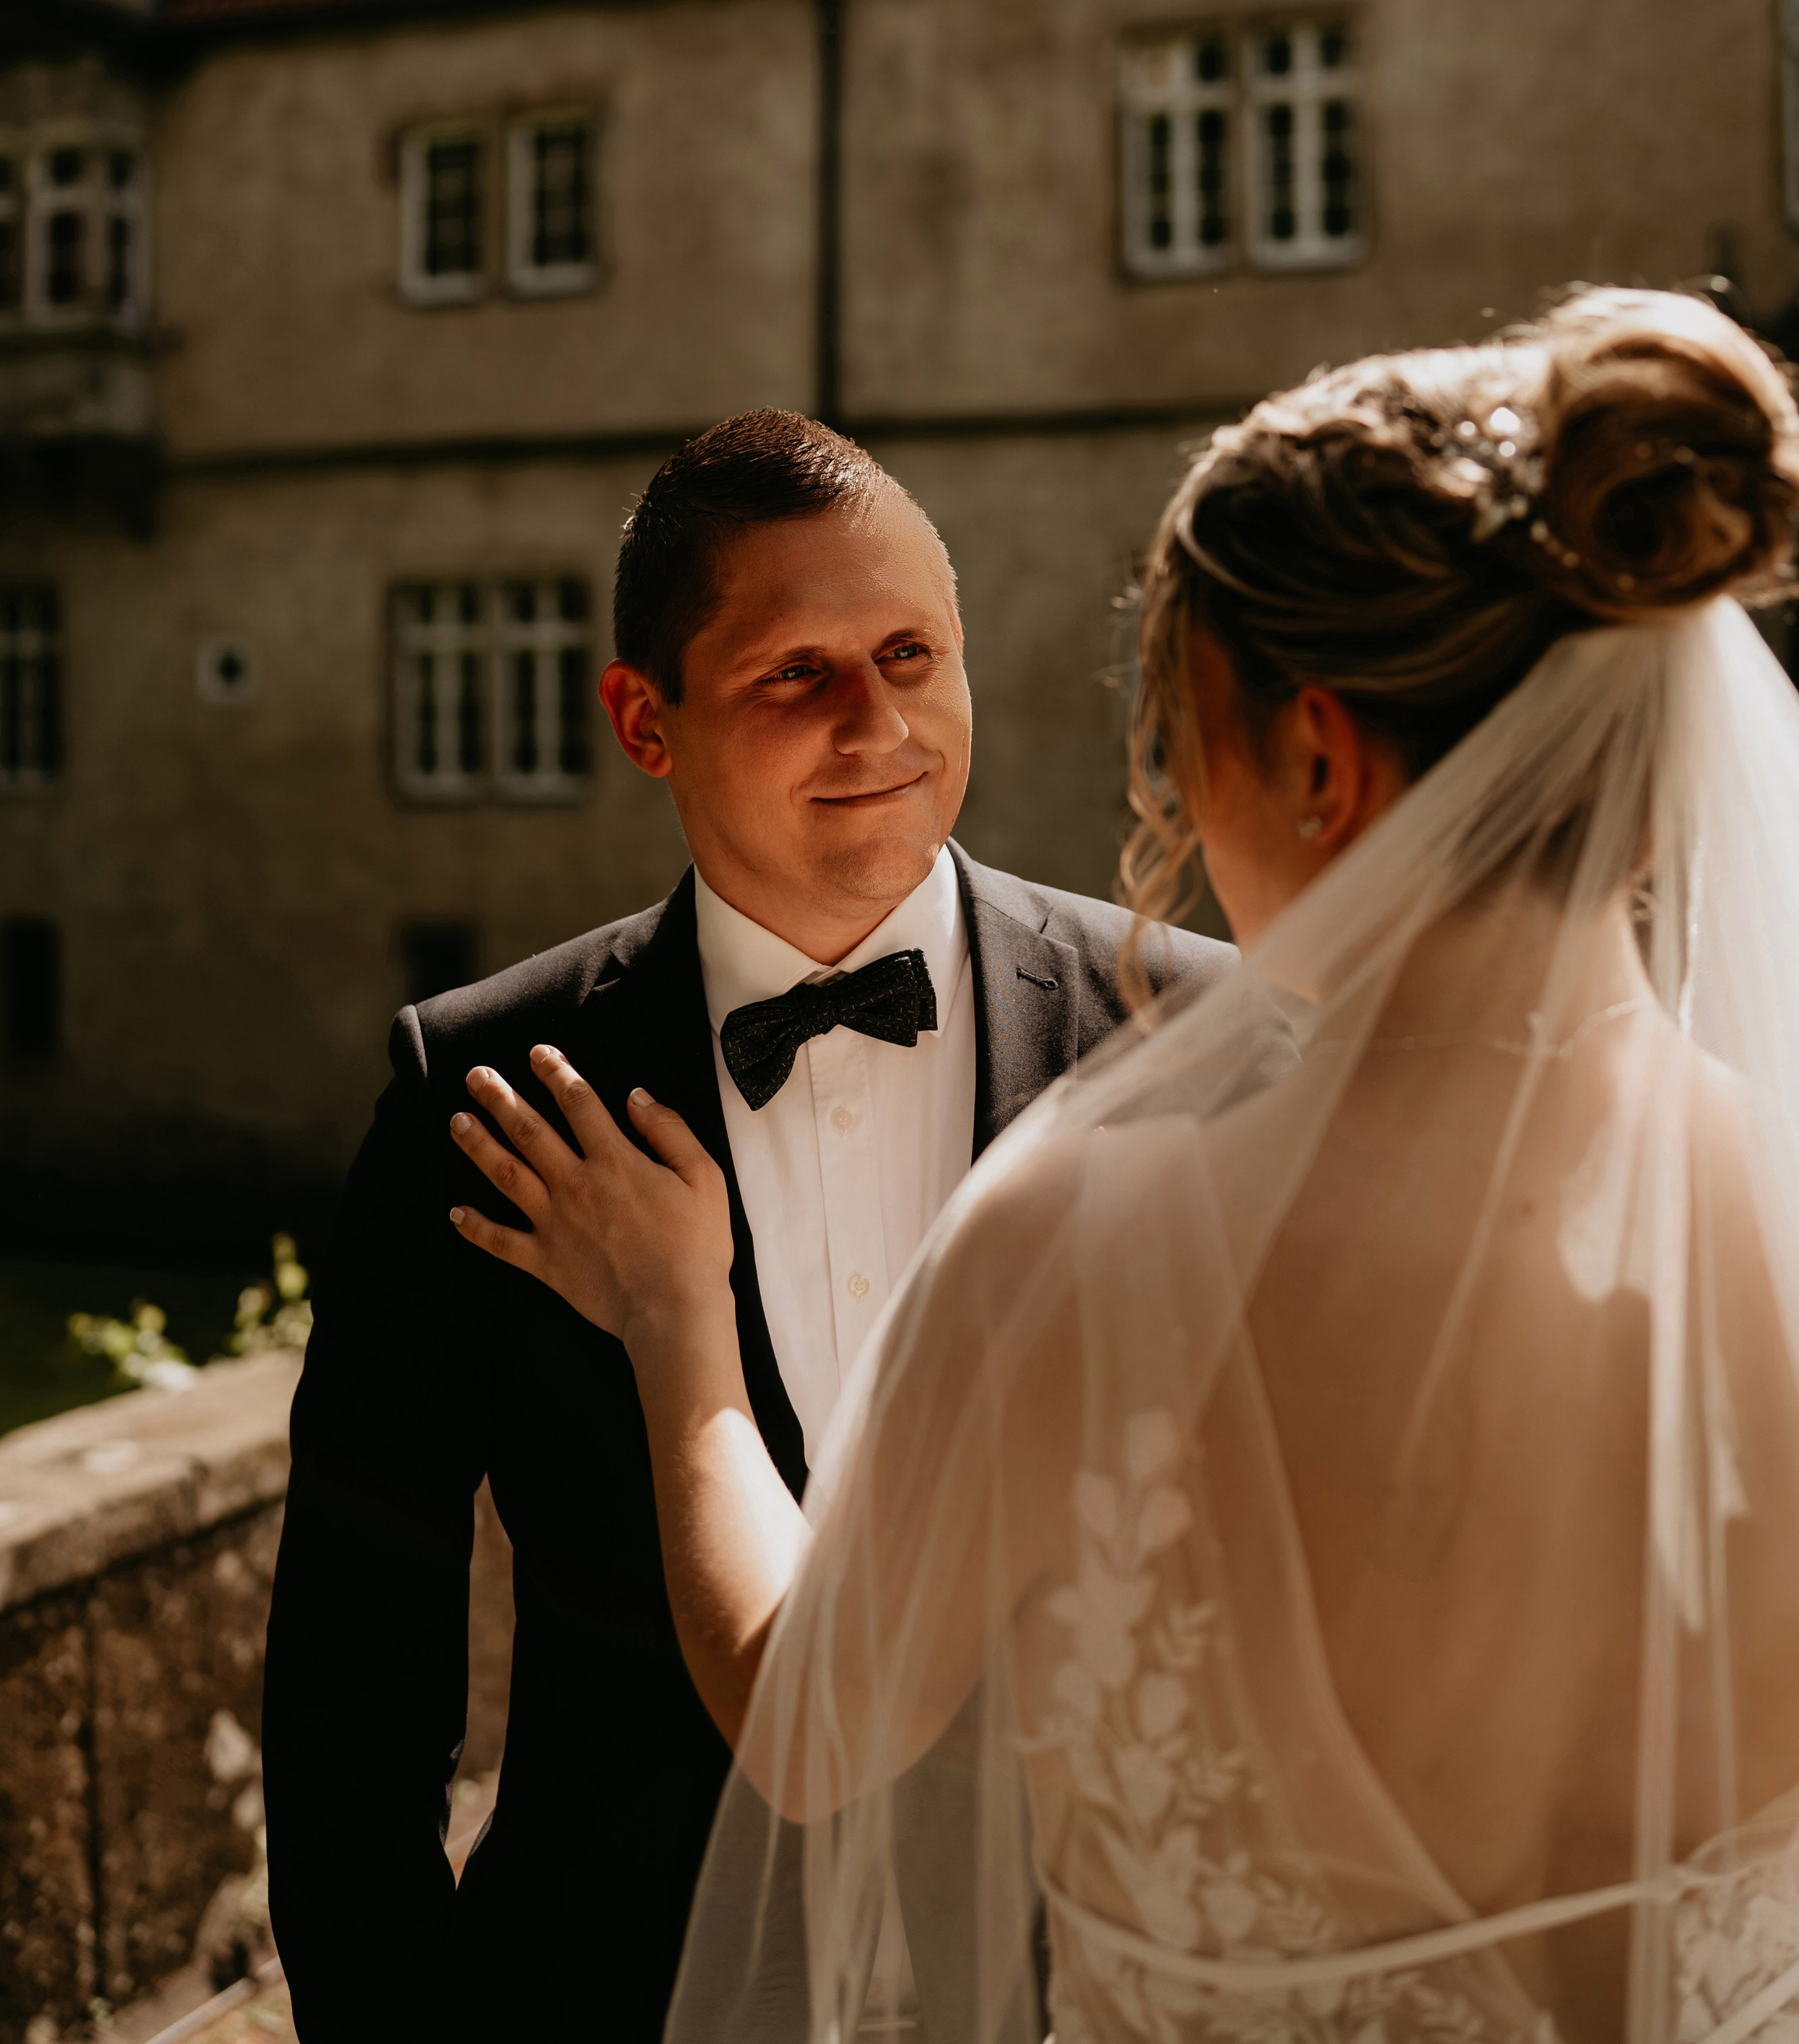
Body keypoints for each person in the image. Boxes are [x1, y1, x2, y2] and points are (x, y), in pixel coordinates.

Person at [452, 290, 1799, 2043]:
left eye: (1182, 732)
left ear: (1315, 752)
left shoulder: (1089, 1230)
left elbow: (808, 1725)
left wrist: (678, 1338)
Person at [261, 409, 1229, 2042]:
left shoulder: (1188, 1039)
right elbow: (355, 1695)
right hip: (614, 1995)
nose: (881, 720)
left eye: (912, 652)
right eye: (799, 673)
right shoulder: (481, 1090)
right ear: (644, 719)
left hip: (1101, 1993)